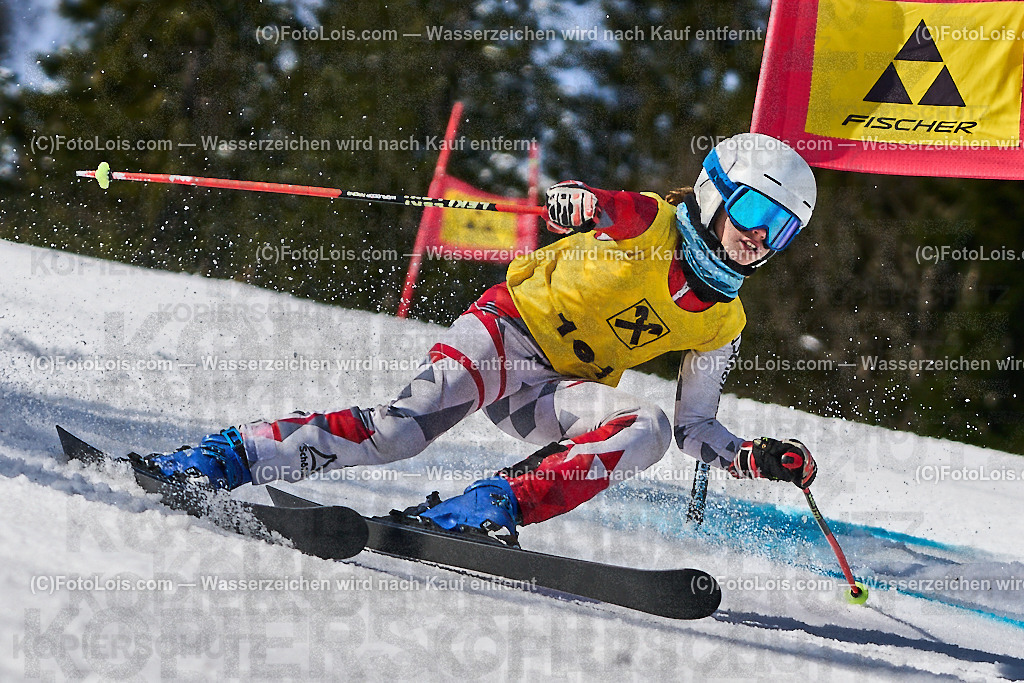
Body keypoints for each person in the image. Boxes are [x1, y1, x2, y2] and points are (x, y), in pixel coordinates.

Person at [143, 132, 819, 544]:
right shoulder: (652, 223)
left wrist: (750, 456)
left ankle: (484, 507)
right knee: (399, 433)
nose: (760, 236)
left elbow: (693, 425)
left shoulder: (724, 321)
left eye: (781, 228)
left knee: (645, 427)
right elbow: (603, 204)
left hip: (552, 392)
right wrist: (577, 201)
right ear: (715, 192)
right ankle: (225, 457)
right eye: (756, 210)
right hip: (505, 333)